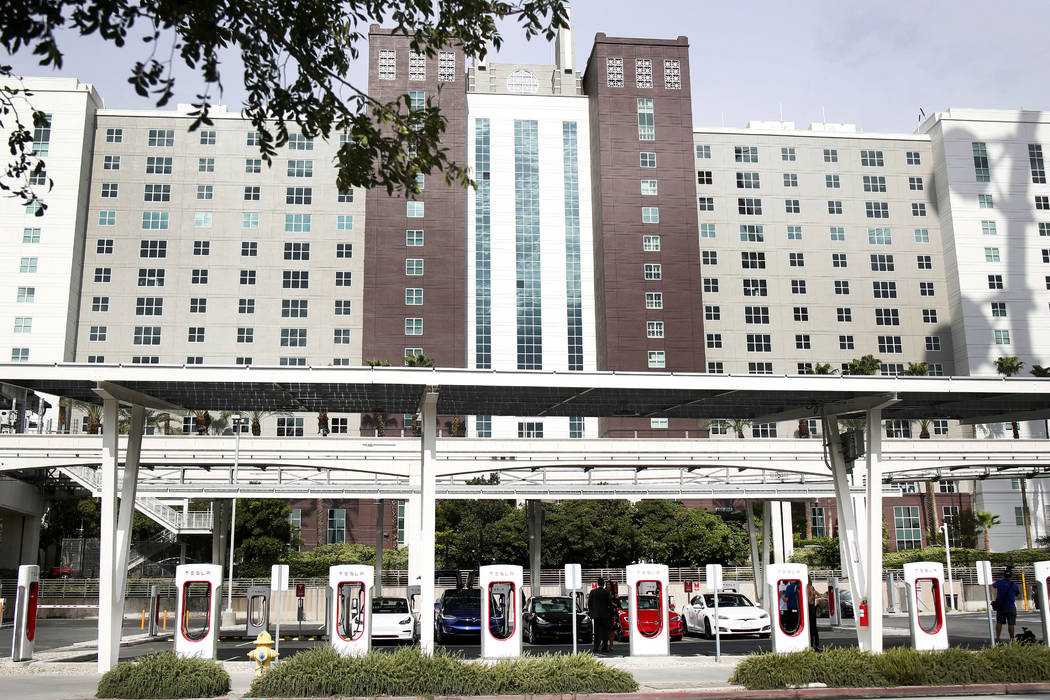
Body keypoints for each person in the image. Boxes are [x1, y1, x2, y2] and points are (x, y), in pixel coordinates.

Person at [992, 566, 1020, 642]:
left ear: (1003, 575)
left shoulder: (1000, 582)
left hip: (1001, 606)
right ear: (1011, 576)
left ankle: (997, 637)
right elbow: (1017, 593)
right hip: (1011, 606)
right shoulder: (1014, 585)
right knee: (1011, 623)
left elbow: (993, 585)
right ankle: (1011, 638)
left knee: (999, 622)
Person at [587, 577, 612, 652]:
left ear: (597, 583)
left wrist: (591, 612)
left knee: (596, 632)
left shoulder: (592, 592)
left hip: (596, 615)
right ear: (603, 583)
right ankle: (604, 647)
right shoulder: (606, 592)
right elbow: (609, 604)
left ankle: (595, 647)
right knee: (605, 632)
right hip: (605, 615)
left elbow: (589, 603)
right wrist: (611, 613)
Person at [806, 578, 821, 651]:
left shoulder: (808, 588)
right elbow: (818, 595)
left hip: (809, 607)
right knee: (813, 627)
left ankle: (812, 644)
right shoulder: (811, 587)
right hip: (812, 607)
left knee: (811, 627)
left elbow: (809, 599)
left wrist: (812, 596)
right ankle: (816, 644)